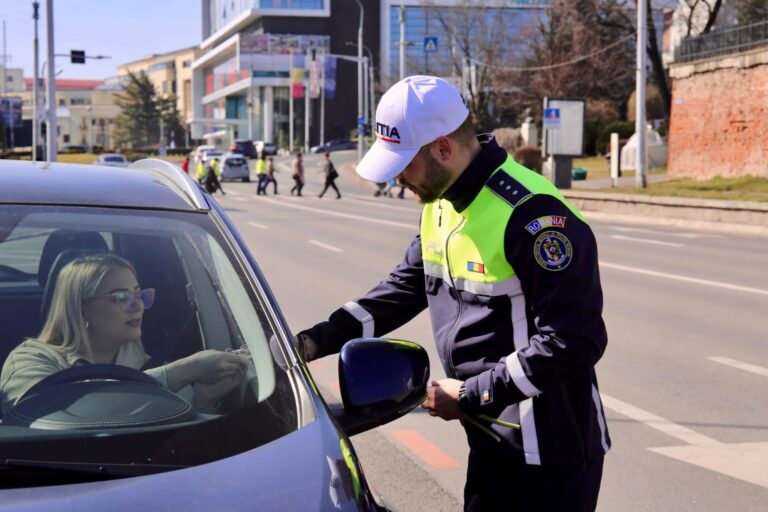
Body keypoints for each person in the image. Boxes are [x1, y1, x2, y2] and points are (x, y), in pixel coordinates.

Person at [295, 76, 610, 511]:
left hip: (548, 454)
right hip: (489, 438)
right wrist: (314, 341)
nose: (399, 178)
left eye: (405, 164)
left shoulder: (532, 214)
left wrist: (471, 394)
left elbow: (574, 340)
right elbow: (402, 289)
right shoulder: (441, 200)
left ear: (444, 148)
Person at [0, 253, 249, 414]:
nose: (138, 305)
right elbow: (53, 417)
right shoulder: (28, 362)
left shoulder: (148, 360)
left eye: (139, 294)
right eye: (121, 297)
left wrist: (203, 401)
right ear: (81, 308)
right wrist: (181, 372)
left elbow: (176, 445)